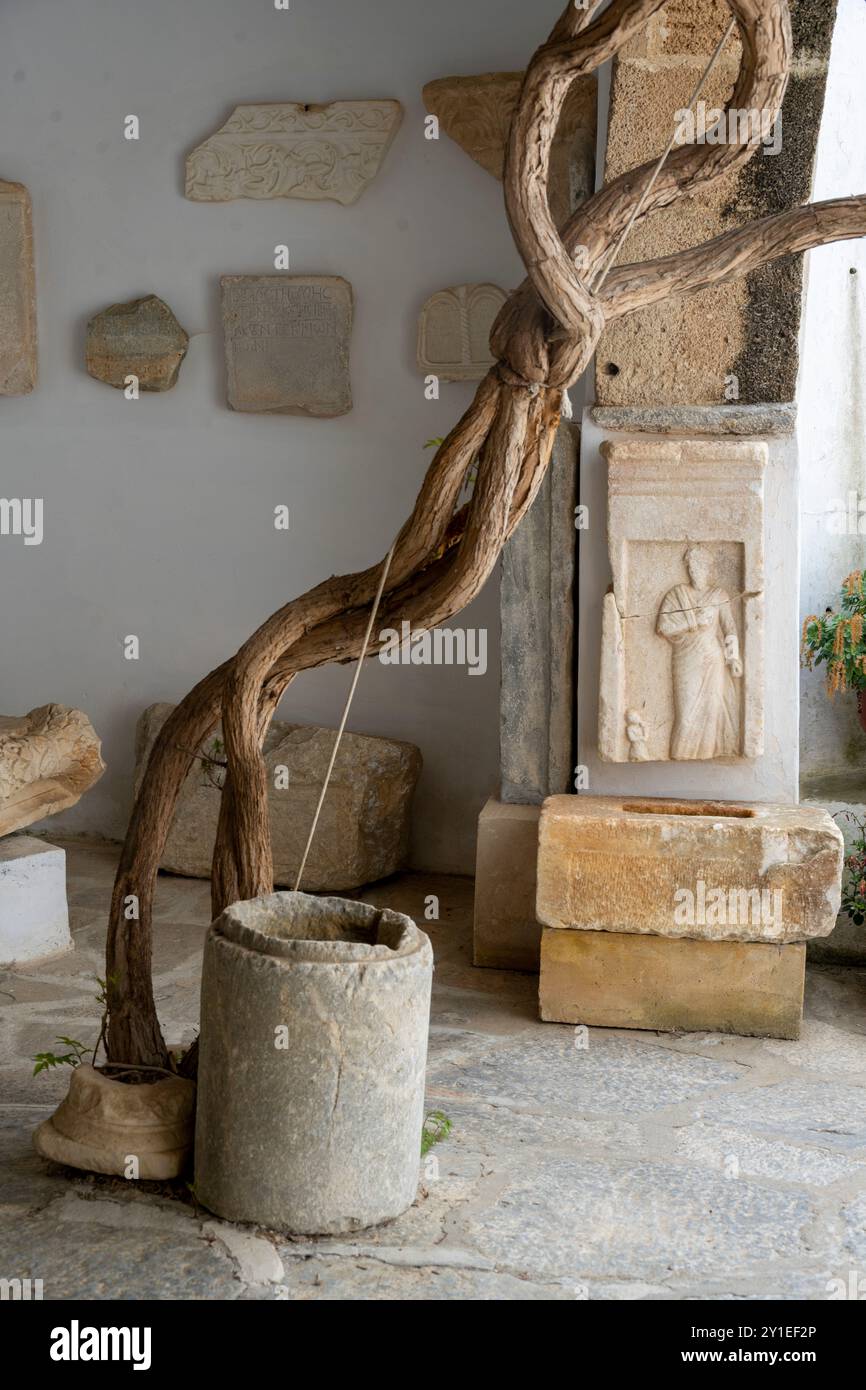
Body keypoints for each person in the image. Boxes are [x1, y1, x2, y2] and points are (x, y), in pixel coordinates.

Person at [656, 545, 742, 759]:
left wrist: (733, 658)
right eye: (691, 567)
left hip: (712, 660)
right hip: (685, 660)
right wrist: (692, 622)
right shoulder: (677, 595)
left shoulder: (718, 595)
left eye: (699, 566)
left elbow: (729, 627)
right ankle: (680, 755)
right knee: (686, 716)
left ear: (707, 568)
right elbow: (663, 627)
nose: (694, 571)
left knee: (711, 713)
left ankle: (706, 754)